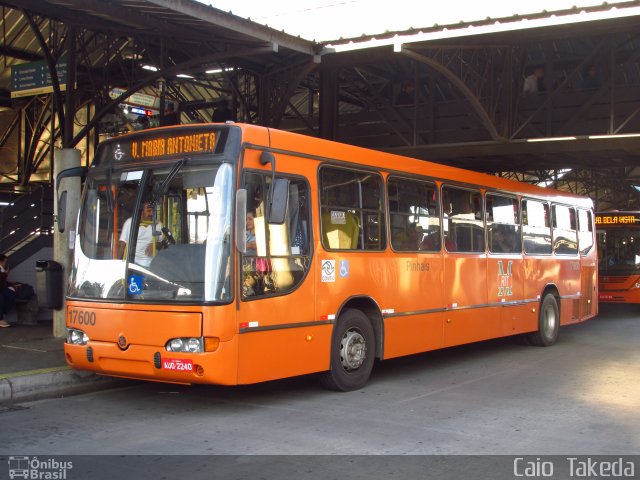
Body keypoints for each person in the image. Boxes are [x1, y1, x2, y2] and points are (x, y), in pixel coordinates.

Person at [118, 202, 164, 267]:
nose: (151, 213)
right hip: (133, 264)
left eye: (153, 211)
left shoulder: (159, 225)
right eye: (148, 211)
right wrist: (119, 263)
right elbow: (122, 245)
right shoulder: (130, 223)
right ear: (141, 212)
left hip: (152, 265)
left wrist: (155, 245)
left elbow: (162, 244)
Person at [0, 254, 16, 327]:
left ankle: (2, 313)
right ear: (1, 261)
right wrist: (5, 274)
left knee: (11, 295)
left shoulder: (2, 269)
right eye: (5, 261)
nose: (5, 263)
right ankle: (0, 319)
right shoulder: (3, 271)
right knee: (1, 299)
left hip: (2, 288)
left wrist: (12, 286)